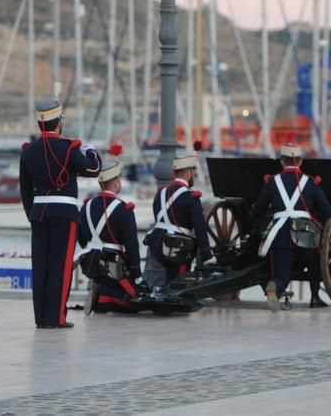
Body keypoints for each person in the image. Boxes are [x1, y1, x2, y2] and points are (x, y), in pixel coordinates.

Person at [20, 101, 102, 329]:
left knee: (41, 266)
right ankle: (56, 318)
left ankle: (41, 319)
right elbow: (92, 169)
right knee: (60, 265)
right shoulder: (68, 148)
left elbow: (24, 189)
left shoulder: (29, 151)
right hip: (64, 213)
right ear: (59, 123)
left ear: (40, 123)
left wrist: (31, 213)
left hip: (39, 213)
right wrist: (92, 152)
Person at [251, 143, 331, 312]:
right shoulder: (310, 183)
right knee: (315, 258)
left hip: (279, 235)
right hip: (305, 236)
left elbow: (259, 209)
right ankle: (315, 297)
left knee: (282, 275)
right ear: (301, 162)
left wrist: (251, 219)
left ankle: (275, 287)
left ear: (281, 162)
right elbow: (327, 211)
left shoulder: (273, 182)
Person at [78, 161, 149, 315]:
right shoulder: (123, 209)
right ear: (116, 183)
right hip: (113, 264)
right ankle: (110, 299)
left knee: (111, 284)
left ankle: (102, 298)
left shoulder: (86, 206)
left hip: (90, 262)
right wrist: (137, 274)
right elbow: (131, 245)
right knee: (139, 297)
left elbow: (81, 237)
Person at [145, 155, 216, 283]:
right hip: (177, 247)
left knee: (170, 274)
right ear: (189, 172)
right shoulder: (191, 197)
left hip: (157, 244)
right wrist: (207, 256)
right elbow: (200, 228)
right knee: (178, 279)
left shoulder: (160, 192)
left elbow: (158, 218)